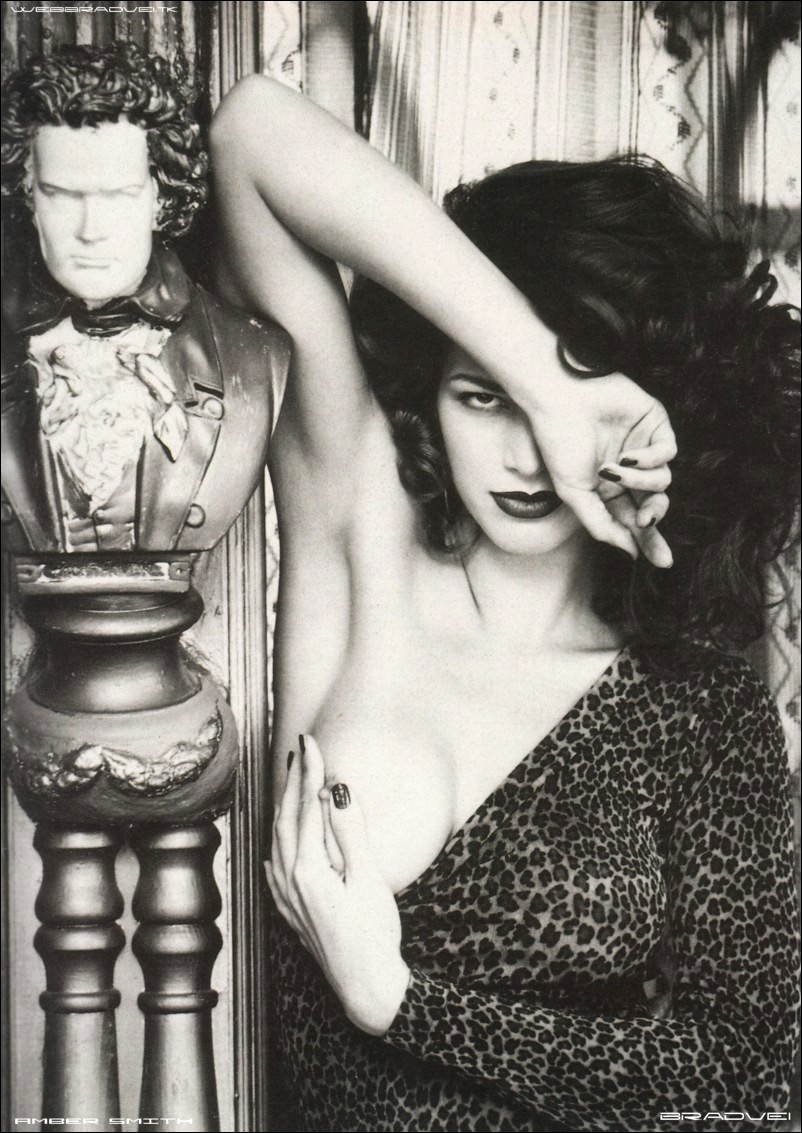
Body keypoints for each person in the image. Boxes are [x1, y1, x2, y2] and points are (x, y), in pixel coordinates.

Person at [210, 76, 799, 1133]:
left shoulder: (701, 709)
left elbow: (745, 1077)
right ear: (428, 395)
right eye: (481, 396)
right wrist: (550, 383)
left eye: (571, 397)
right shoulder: (362, 545)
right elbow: (249, 137)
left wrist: (401, 1001)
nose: (528, 457)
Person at [1, 44, 289, 556]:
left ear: (160, 195)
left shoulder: (252, 354)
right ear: (28, 195)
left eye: (118, 196)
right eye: (62, 195)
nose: (91, 231)